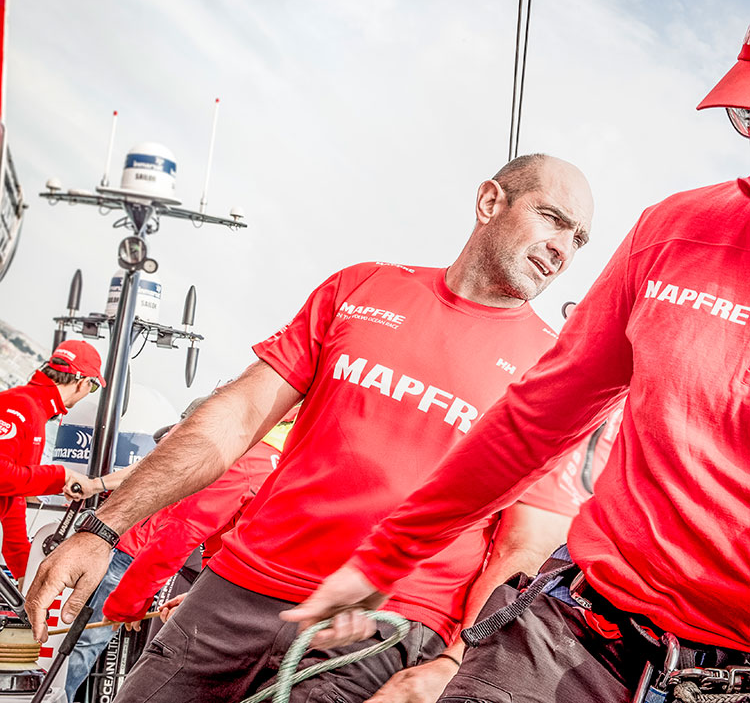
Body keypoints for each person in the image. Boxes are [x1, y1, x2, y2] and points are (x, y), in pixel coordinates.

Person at [277, 26, 750, 703]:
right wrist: (388, 555)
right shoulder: (674, 231)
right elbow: (539, 415)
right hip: (579, 634)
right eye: (749, 116)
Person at [25, 154, 595, 703]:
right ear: (490, 200)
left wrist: (453, 664)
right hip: (238, 590)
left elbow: (525, 542)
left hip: (385, 624)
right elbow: (238, 416)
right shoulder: (360, 287)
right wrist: (102, 529)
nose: (562, 249)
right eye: (553, 219)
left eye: (578, 239)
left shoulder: (552, 368)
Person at [63, 407, 296, 703]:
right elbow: (232, 536)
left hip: (251, 606)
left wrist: (130, 601)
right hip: (295, 612)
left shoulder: (248, 453)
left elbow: (188, 528)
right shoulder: (293, 454)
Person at [0, 340, 103, 580]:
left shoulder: (32, 407)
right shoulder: (20, 406)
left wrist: (25, 572)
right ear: (83, 383)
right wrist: (61, 476)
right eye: (94, 387)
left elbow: (12, 495)